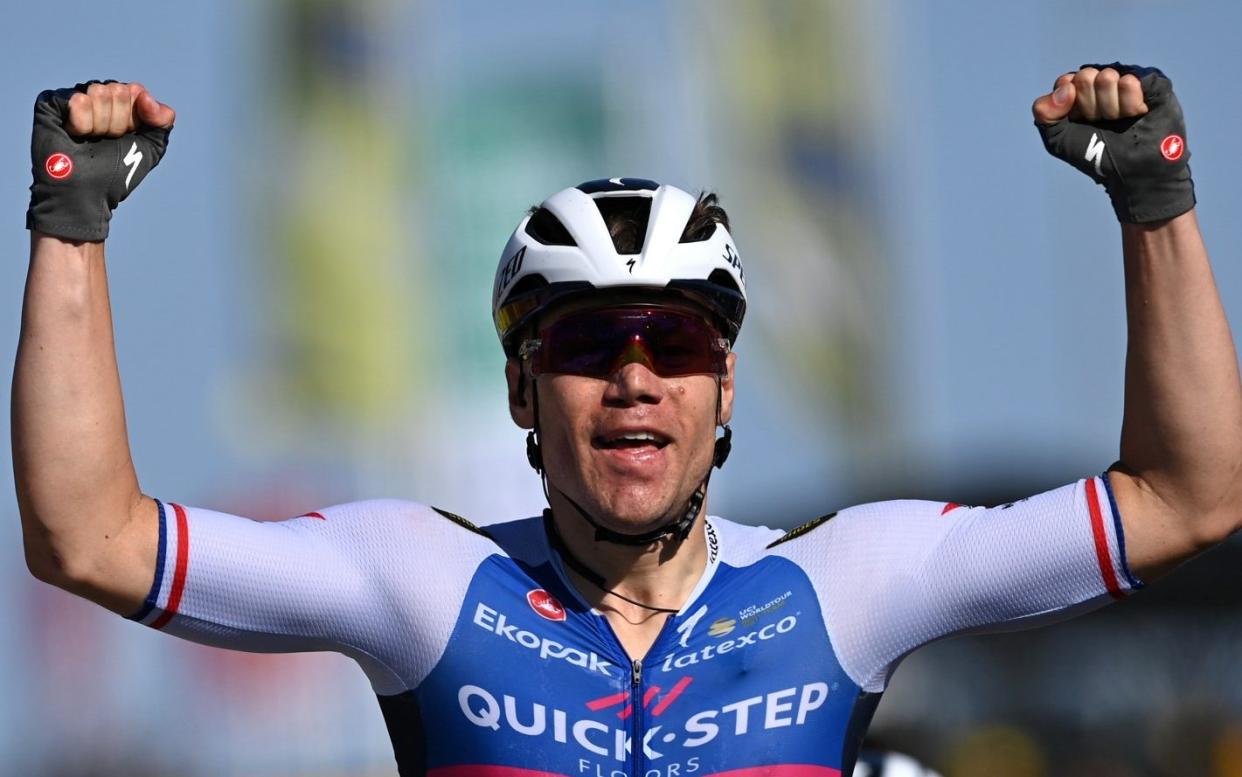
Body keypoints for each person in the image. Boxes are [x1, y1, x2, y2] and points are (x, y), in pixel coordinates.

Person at [13, 64, 1241, 777]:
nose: (638, 378)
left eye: (683, 344)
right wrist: (73, 226)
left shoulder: (853, 579)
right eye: (590, 347)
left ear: (726, 391)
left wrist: (1154, 198)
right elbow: (89, 537)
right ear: (520, 394)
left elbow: (1187, 499)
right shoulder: (422, 580)